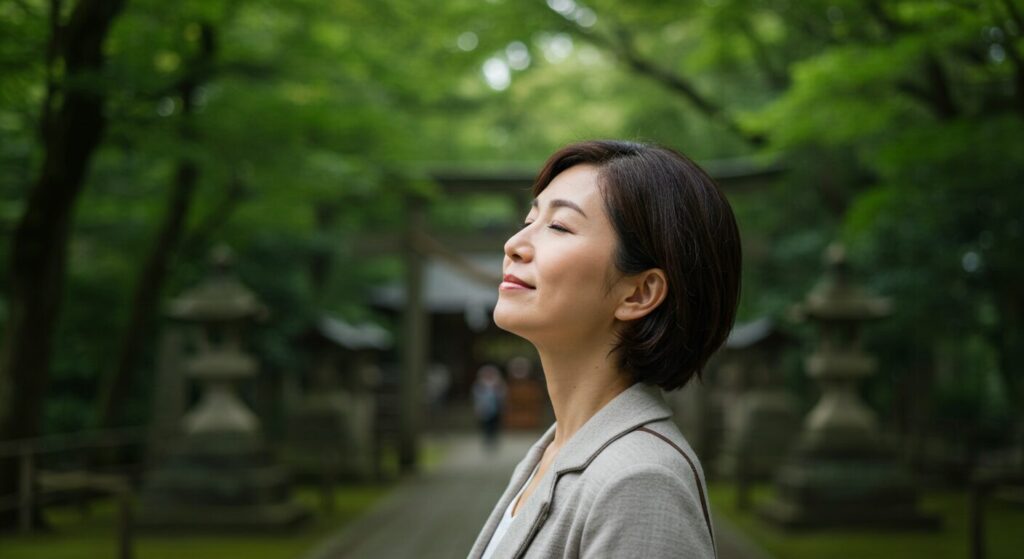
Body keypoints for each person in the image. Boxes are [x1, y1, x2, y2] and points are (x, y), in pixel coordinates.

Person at [468, 140, 741, 559]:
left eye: (558, 226)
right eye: (529, 219)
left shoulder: (641, 480)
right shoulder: (558, 450)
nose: (515, 244)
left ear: (639, 293)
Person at [472, 364, 507, 450]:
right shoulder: (480, 385)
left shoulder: (498, 383)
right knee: (486, 425)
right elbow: (477, 398)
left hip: (496, 408)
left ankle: (494, 440)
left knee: (495, 425)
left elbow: (503, 395)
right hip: (485, 409)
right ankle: (487, 440)